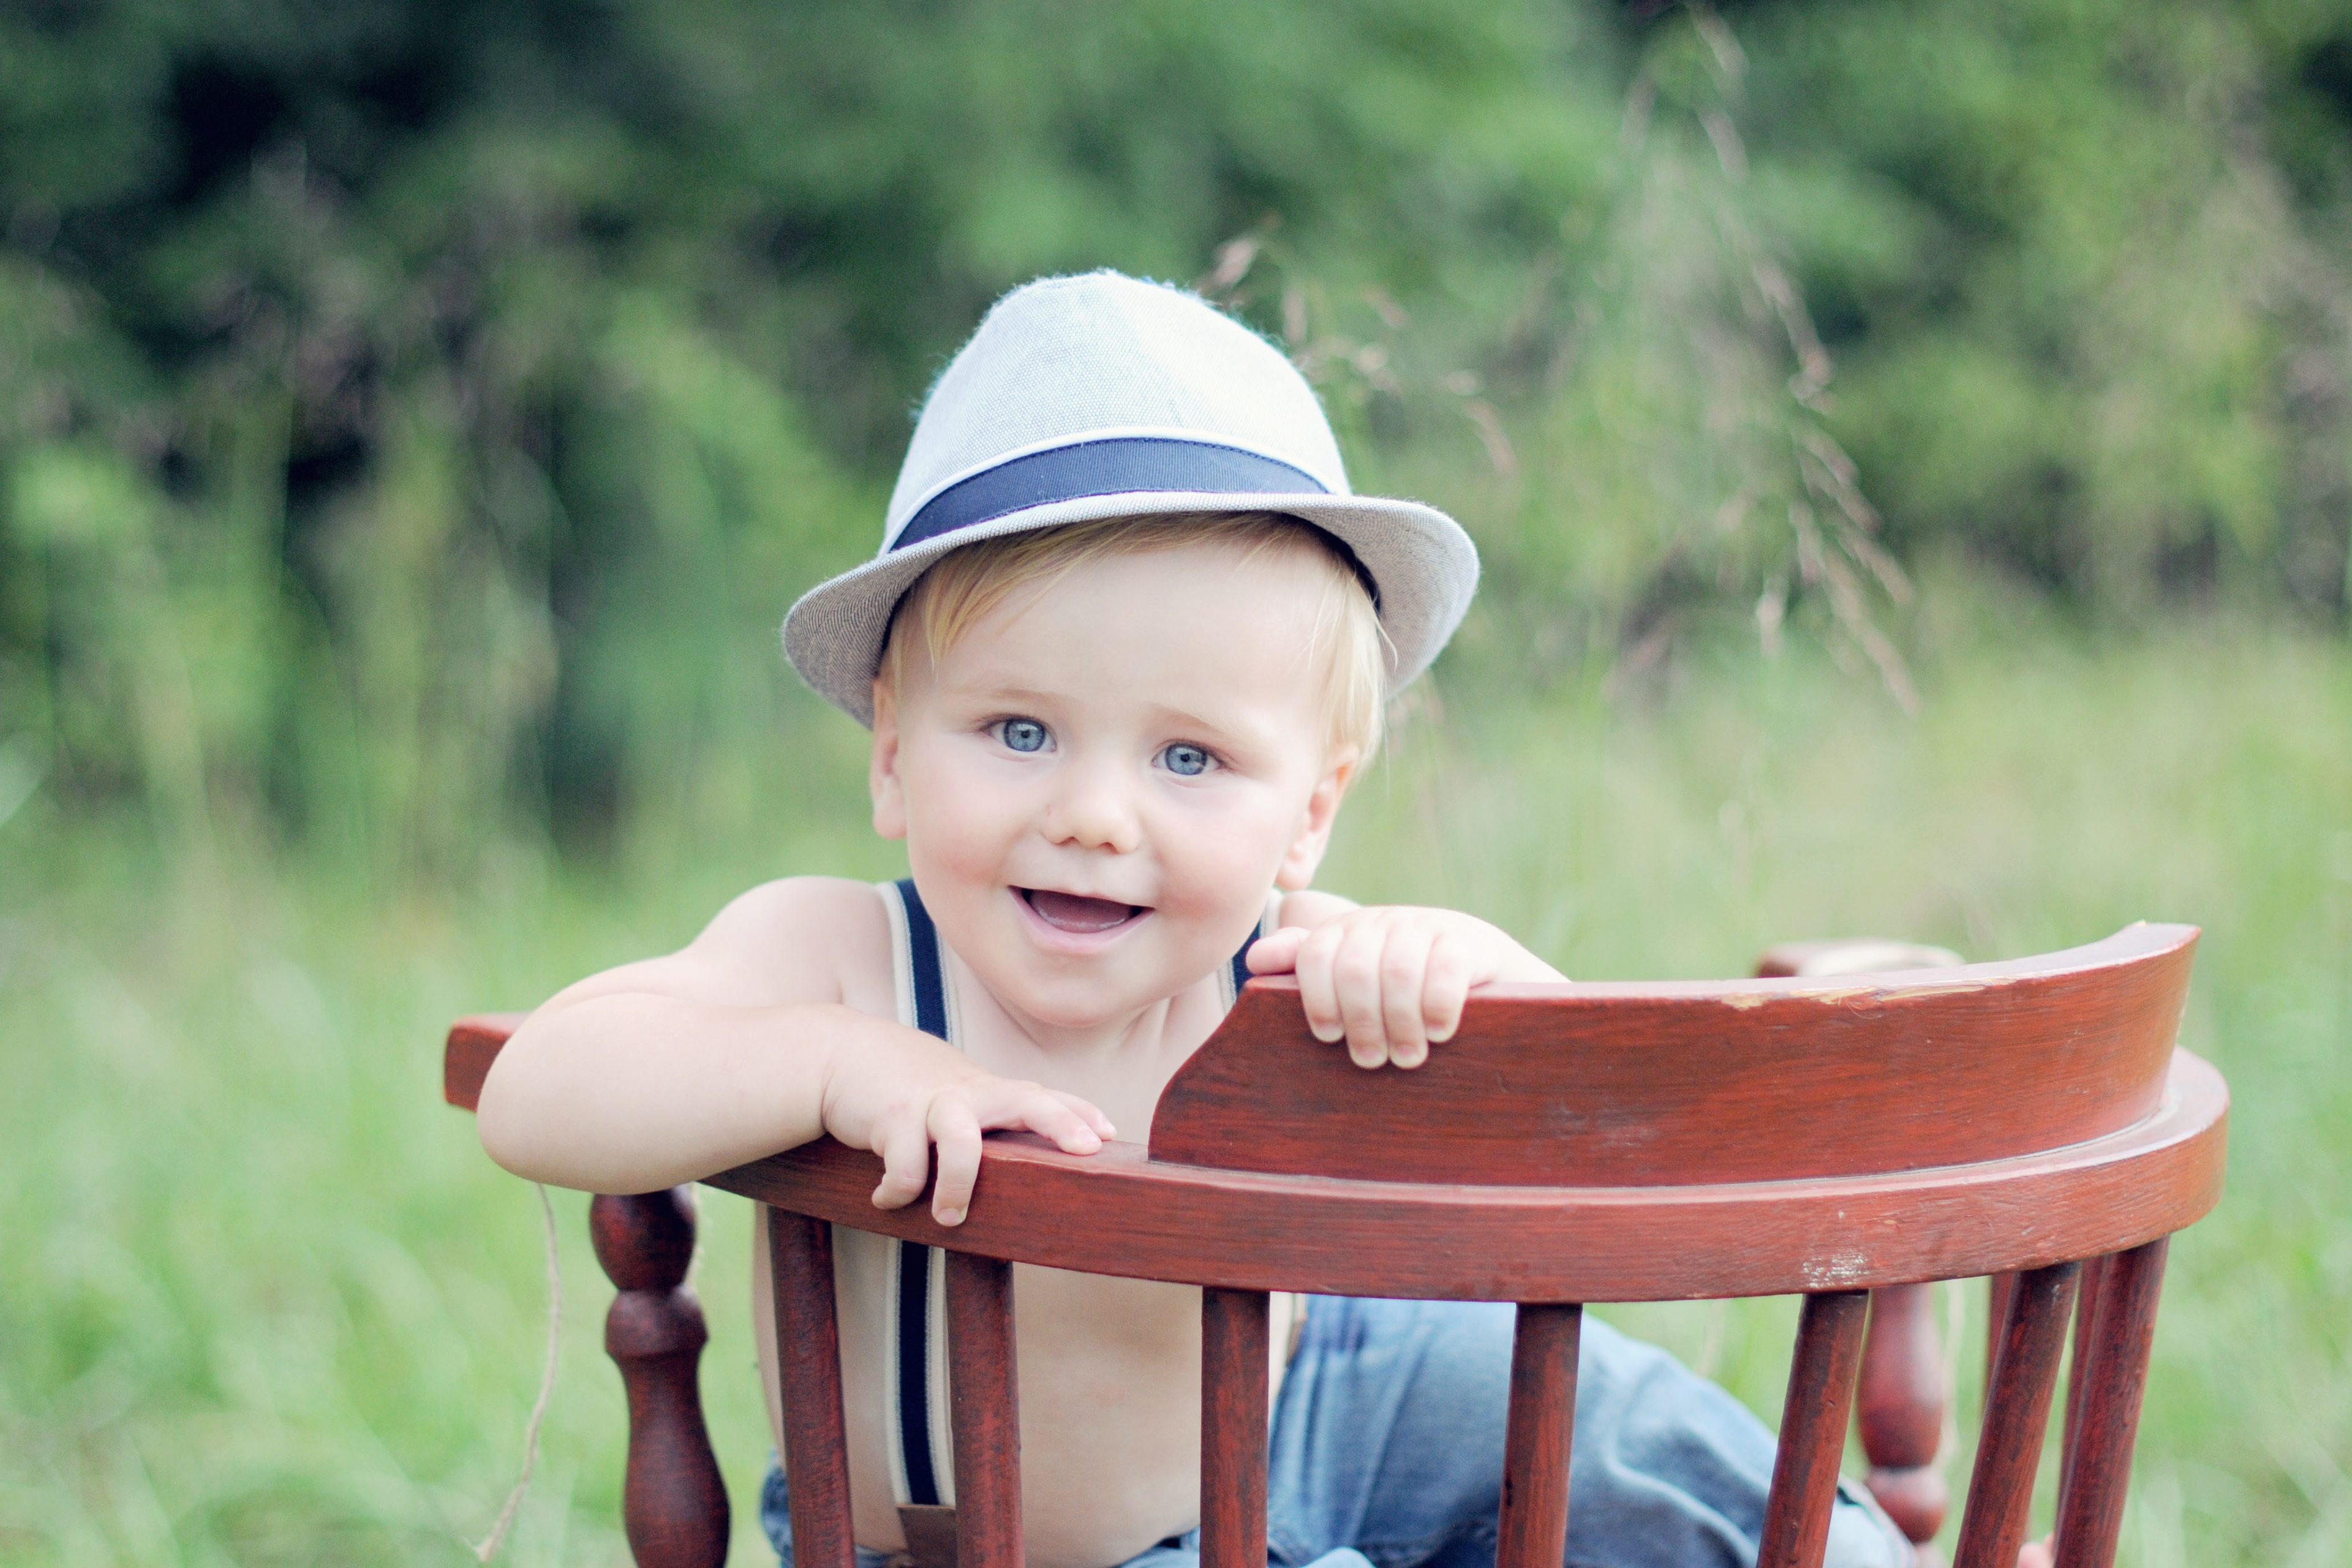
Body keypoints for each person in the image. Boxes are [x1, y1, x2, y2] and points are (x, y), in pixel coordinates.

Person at [476, 271, 1916, 1568]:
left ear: (1309, 810)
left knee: (1606, 1423)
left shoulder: (1288, 961)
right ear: (894, 751)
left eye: (1188, 757)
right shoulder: (846, 958)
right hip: (991, 1545)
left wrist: (1465, 973)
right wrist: (832, 1065)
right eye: (1021, 730)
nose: (1097, 815)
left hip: (1322, 1394)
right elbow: (538, 1087)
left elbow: (1587, 1117)